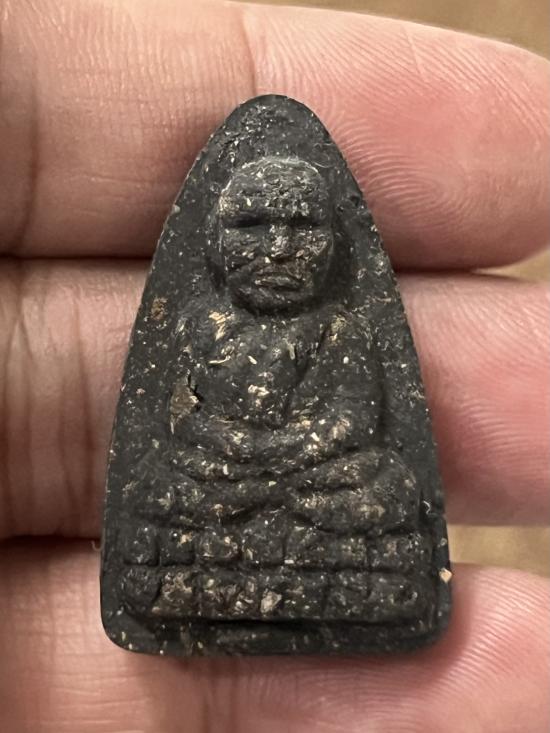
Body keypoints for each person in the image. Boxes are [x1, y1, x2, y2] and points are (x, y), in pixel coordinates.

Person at [0, 0, 548, 730]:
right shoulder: (202, 321)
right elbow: (186, 421)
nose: (280, 250)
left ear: (333, 242)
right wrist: (238, 448)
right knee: (162, 488)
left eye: (301, 227)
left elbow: (354, 423)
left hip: (317, 475)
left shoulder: (343, 327)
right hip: (223, 473)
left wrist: (288, 453)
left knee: (385, 490)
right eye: (254, 227)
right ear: (216, 243)